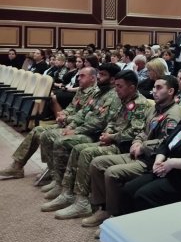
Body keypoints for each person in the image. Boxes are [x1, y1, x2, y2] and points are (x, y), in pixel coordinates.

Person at [48, 70, 151, 219]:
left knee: (86, 152)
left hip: (123, 146)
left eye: (120, 86)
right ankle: (68, 192)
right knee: (78, 149)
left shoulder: (140, 104)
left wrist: (112, 137)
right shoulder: (123, 100)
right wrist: (108, 133)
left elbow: (135, 132)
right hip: (111, 140)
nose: (116, 89)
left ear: (132, 87)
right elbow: (112, 121)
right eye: (116, 86)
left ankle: (83, 202)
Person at [83, 75, 181, 229]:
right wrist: (137, 141)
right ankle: (102, 208)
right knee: (97, 163)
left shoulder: (174, 114)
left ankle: (115, 215)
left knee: (112, 173)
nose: (154, 91)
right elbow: (143, 130)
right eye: (154, 87)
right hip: (138, 153)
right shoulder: (155, 108)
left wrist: (143, 146)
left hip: (152, 161)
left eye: (159, 88)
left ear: (170, 91)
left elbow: (167, 142)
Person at [38, 64, 121, 208]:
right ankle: (58, 181)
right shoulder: (98, 93)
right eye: (99, 74)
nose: (99, 77)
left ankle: (67, 190)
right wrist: (71, 125)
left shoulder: (113, 95)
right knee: (46, 135)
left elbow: (100, 123)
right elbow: (83, 112)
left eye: (103, 75)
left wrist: (77, 131)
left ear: (113, 79)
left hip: (93, 134)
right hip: (83, 129)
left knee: (61, 141)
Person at [0, 68, 97, 179]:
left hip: (77, 127)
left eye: (82, 76)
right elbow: (71, 107)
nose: (78, 78)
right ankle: (17, 166)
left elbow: (84, 115)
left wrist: (66, 118)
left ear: (92, 78)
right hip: (68, 123)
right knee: (37, 130)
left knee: (47, 135)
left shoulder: (95, 94)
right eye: (78, 76)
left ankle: (54, 171)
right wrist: (63, 113)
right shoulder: (81, 90)